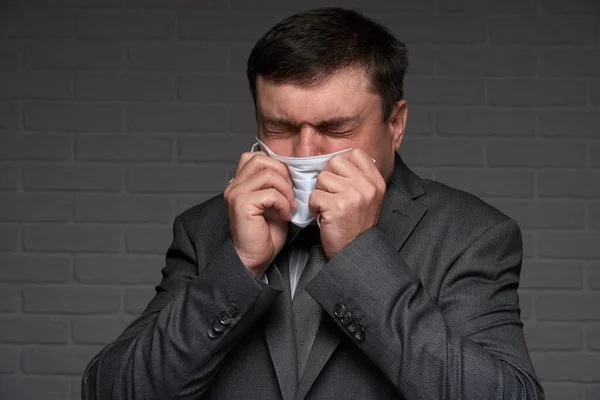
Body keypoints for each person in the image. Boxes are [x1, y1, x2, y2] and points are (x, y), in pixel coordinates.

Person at [81, 7, 544, 400]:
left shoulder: (470, 235)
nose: (304, 155)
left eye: (337, 129)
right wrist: (238, 265)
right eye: (280, 128)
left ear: (396, 124)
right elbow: (110, 389)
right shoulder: (204, 230)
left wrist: (361, 257)